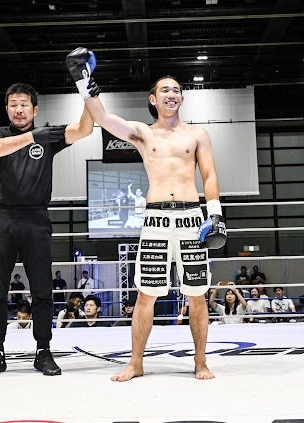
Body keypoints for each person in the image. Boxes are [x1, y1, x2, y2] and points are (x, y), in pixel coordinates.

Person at [65, 47, 226, 381]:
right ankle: (135, 363)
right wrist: (84, 85)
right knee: (145, 295)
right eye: (165, 90)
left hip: (191, 218)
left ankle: (200, 362)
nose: (172, 94)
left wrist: (215, 214)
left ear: (182, 99)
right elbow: (104, 119)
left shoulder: (197, 134)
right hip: (155, 219)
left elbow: (209, 174)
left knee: (197, 294)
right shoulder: (143, 132)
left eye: (176, 90)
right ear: (153, 99)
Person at [0, 81, 94, 379]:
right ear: (7, 109)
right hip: (2, 217)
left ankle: (43, 350)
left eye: (24, 104)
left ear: (35, 109)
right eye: (13, 104)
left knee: (42, 289)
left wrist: (87, 95)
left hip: (36, 218)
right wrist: (33, 137)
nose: (19, 110)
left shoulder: (48, 136)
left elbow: (85, 129)